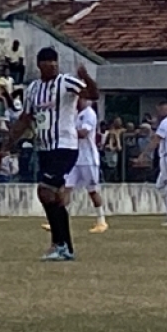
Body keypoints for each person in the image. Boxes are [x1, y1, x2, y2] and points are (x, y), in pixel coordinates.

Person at [6, 48, 99, 262]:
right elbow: (25, 118)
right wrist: (7, 145)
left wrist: (86, 77)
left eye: (55, 61)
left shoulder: (66, 82)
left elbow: (93, 94)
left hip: (65, 146)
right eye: (48, 62)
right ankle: (66, 247)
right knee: (56, 197)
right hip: (45, 147)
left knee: (45, 191)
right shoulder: (33, 89)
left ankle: (59, 244)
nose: (53, 65)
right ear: (40, 65)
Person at [59, 98, 108, 233]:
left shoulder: (89, 114)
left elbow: (83, 133)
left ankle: (101, 221)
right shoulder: (74, 113)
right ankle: (59, 221)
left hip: (88, 159)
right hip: (74, 158)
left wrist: (67, 131)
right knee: (66, 188)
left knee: (92, 190)